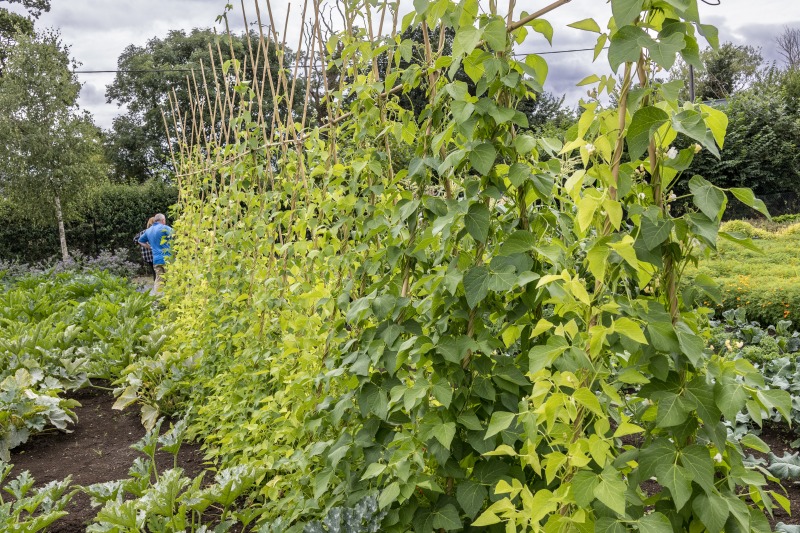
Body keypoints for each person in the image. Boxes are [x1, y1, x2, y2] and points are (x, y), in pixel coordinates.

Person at [137, 213, 173, 294]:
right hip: (167, 258)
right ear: (163, 220)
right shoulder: (164, 228)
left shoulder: (148, 230)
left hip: (156, 259)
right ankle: (171, 298)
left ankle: (158, 298)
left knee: (159, 280)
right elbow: (175, 235)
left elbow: (140, 240)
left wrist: (150, 247)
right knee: (171, 279)